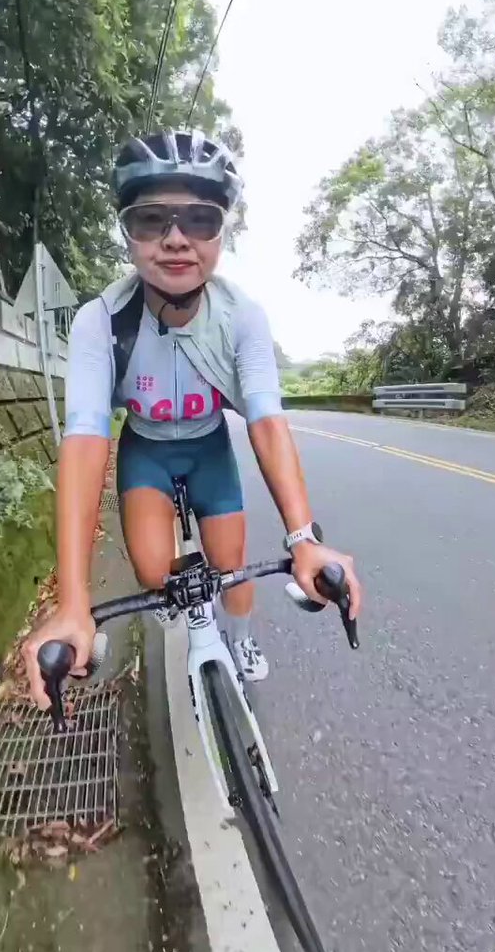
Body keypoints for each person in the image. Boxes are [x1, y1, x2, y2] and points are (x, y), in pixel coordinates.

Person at [24, 128, 361, 709]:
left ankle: (243, 640)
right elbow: (84, 443)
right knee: (155, 572)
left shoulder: (242, 317)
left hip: (209, 450)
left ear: (221, 233)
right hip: (146, 452)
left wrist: (304, 539)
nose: (176, 239)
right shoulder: (100, 321)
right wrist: (74, 601)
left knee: (231, 566)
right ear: (127, 232)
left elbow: (266, 421)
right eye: (152, 219)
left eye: (200, 220)